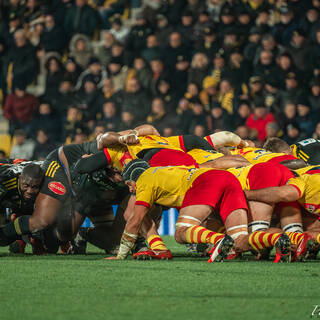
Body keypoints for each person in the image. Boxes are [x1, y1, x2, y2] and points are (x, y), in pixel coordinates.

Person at [105, 159, 291, 262]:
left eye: (130, 184)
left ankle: (218, 240)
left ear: (134, 177)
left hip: (206, 182)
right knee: (240, 242)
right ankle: (277, 238)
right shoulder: (166, 170)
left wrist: (121, 255)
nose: (131, 190)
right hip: (228, 179)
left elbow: (135, 219)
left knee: (181, 233)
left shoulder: (144, 179)